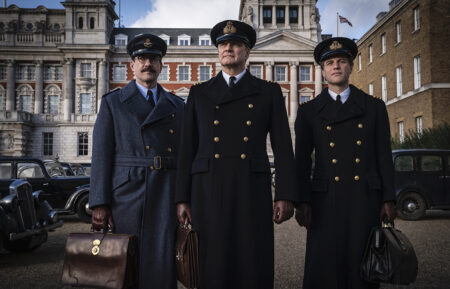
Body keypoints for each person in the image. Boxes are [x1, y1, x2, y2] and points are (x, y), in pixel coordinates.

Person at [175, 20, 299, 289]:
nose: (227, 48)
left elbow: (282, 146)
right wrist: (182, 198)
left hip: (250, 189)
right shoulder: (199, 93)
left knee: (251, 262)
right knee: (212, 263)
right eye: (222, 44)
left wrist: (286, 194)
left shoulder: (269, 92)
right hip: (207, 190)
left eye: (234, 44)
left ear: (247, 51)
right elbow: (187, 148)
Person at [294, 37, 397, 289]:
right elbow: (301, 162)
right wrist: (302, 201)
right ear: (323, 70)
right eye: (330, 62)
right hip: (324, 200)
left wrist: (388, 198)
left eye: (341, 61)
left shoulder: (373, 107)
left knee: (362, 266)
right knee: (325, 267)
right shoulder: (309, 111)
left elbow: (383, 155)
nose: (336, 66)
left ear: (351, 67)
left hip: (364, 197)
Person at [89, 33, 184, 289]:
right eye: (142, 58)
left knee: (162, 262)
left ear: (161, 64)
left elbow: (185, 156)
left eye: (153, 58)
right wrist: (100, 203)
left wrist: (184, 198)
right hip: (126, 195)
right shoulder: (113, 102)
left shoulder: (177, 105)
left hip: (165, 191)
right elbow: (100, 155)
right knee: (124, 262)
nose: (147, 64)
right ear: (132, 65)